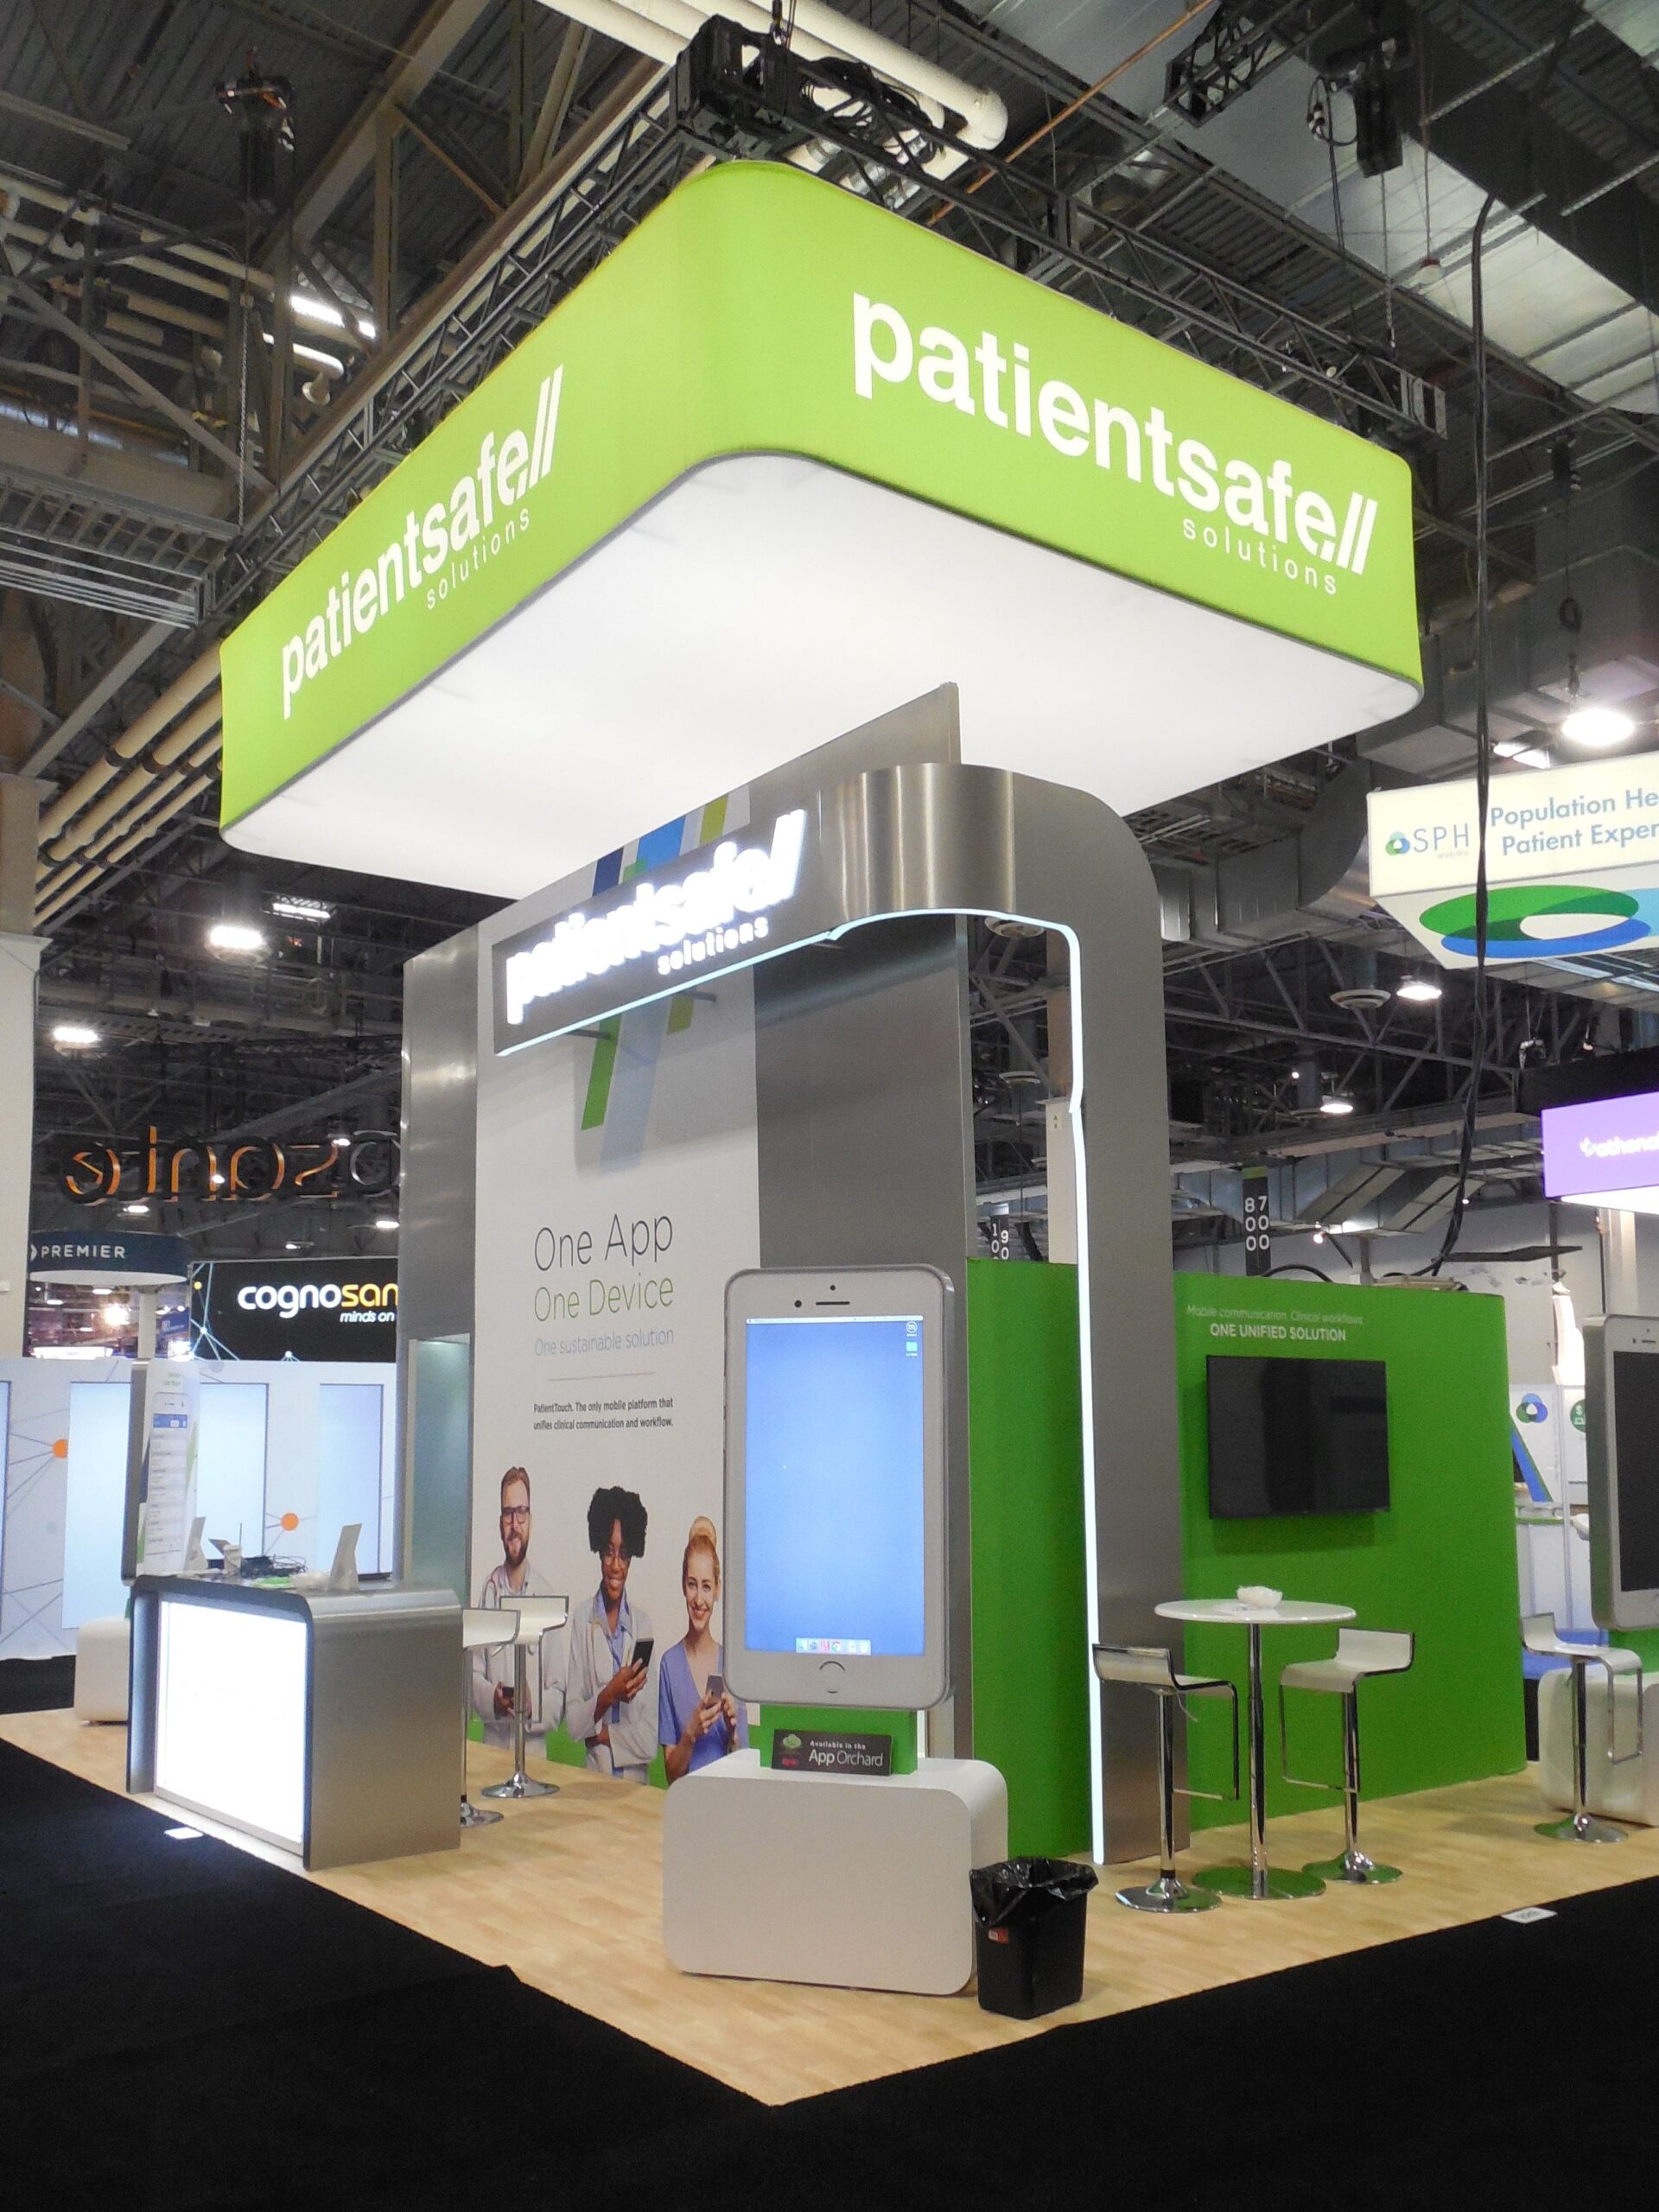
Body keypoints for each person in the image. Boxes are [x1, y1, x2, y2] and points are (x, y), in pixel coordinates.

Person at [564, 1485, 656, 1781]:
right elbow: (574, 1725)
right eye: (608, 1552)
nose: (615, 1565)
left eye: (624, 1554)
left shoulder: (642, 1626)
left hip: (636, 1788)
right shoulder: (582, 1620)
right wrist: (608, 1694)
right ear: (598, 1551)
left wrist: (601, 1735)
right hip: (595, 1782)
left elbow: (649, 1741)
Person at [471, 1466, 566, 1744]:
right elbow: (473, 1675)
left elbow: (558, 1693)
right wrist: (493, 1699)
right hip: (494, 1752)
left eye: (521, 1513)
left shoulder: (545, 1596)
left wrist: (532, 1705)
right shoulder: (488, 1594)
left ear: (530, 1522)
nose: (514, 1524)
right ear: (500, 1523)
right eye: (508, 1513)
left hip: (533, 1754)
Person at [660, 1516, 745, 1783]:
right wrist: (690, 1733)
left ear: (717, 1590)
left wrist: (732, 1735)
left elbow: (744, 1773)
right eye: (692, 1584)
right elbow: (671, 1775)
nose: (699, 1599)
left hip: (725, 1803)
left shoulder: (732, 1666)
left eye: (706, 1586)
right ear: (683, 1586)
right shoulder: (669, 1665)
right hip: (686, 1804)